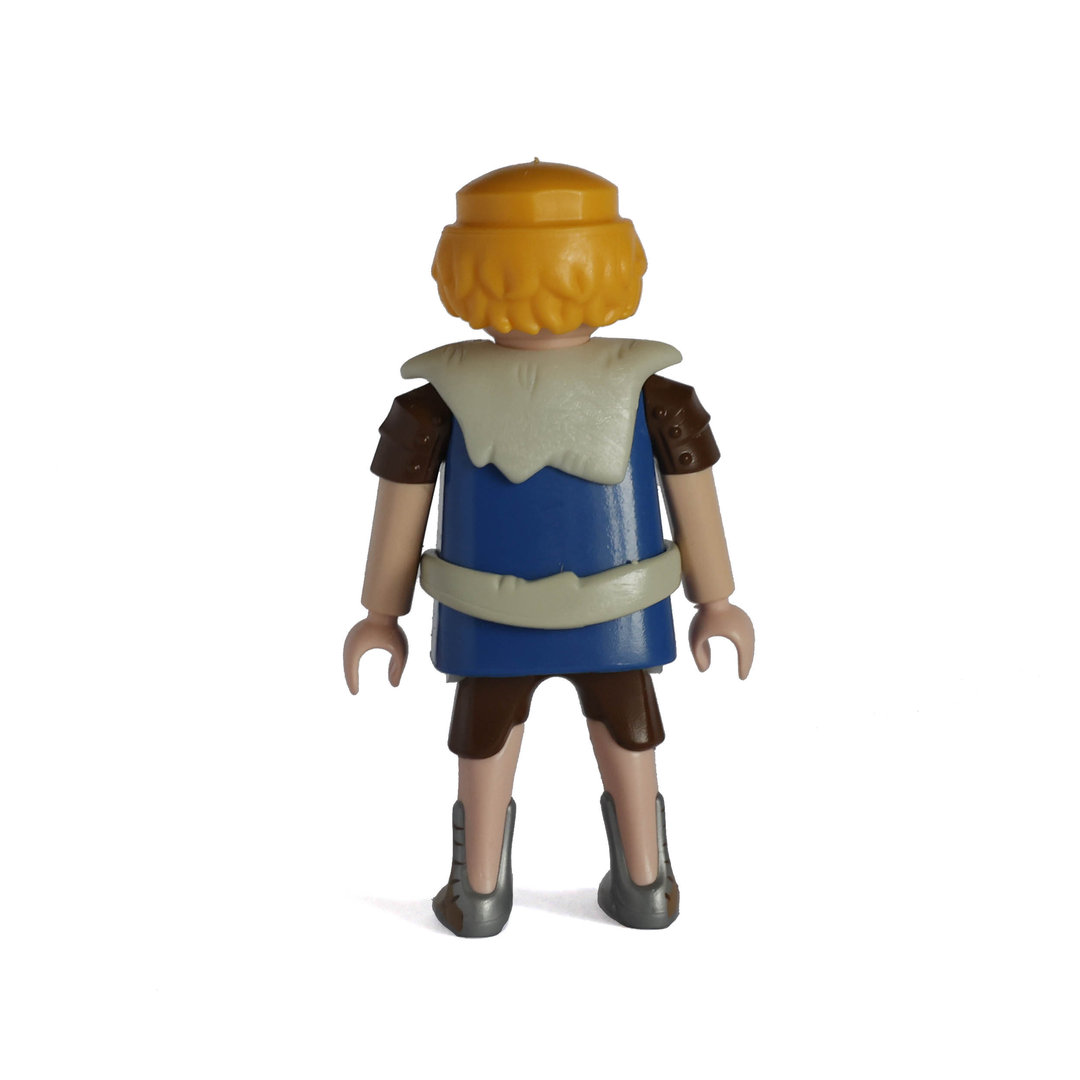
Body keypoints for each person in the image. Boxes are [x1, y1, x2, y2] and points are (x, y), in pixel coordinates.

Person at [343, 160, 754, 936]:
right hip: (616, 610)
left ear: (460, 271)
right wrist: (717, 599)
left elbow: (400, 505)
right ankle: (645, 882)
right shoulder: (656, 397)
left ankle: (479, 893)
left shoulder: (433, 405)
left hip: (490, 612)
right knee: (626, 726)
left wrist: (380, 614)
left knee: (489, 733)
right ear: (617, 265)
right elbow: (695, 494)